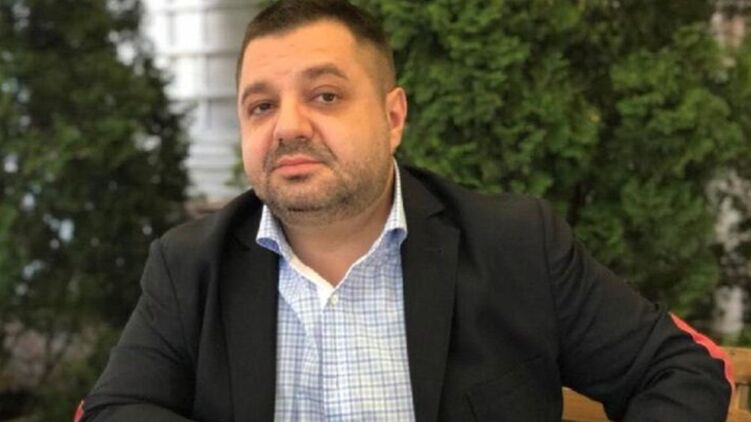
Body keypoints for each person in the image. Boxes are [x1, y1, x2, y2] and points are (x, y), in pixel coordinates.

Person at [79, 0, 732, 420]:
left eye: (325, 95)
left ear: (393, 117)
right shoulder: (189, 265)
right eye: (261, 106)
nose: (288, 126)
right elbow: (117, 407)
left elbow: (680, 370)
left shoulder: (514, 245)